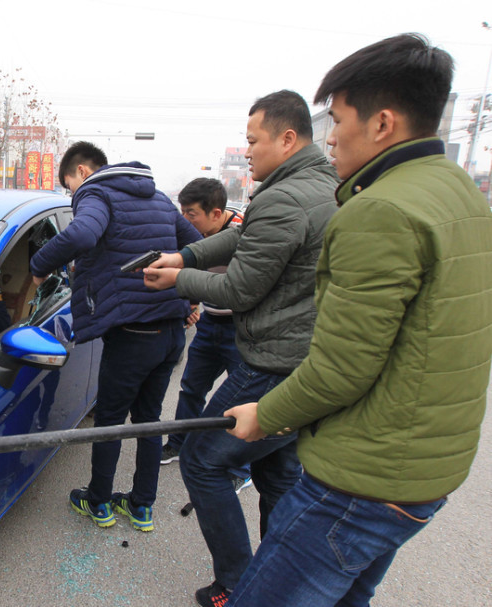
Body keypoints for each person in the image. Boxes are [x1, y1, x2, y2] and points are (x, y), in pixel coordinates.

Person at [223, 34, 492, 607]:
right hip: (422, 471)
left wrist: (264, 415)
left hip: (361, 479)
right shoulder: (459, 194)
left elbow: (342, 368)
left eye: (338, 118)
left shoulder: (380, 211)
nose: (331, 136)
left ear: (383, 124)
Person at [143, 90, 339, 607]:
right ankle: (281, 581)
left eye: (253, 141)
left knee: (204, 462)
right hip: (306, 359)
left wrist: (178, 278)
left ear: (287, 138)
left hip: (272, 362)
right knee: (277, 472)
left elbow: (237, 290)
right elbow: (240, 238)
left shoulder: (284, 197)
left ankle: (236, 583)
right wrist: (184, 253)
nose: (247, 151)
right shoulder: (319, 184)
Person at [30, 141, 202, 532]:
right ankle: (142, 506)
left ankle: (99, 501)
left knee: (109, 420)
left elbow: (82, 235)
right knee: (148, 420)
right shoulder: (157, 197)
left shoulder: (96, 192)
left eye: (70, 187)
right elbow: (197, 245)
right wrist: (188, 294)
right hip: (171, 332)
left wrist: (39, 266)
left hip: (133, 336)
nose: (73, 196)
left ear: (83, 172)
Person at [160, 178, 244, 468]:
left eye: (191, 213)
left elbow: (239, 285)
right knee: (192, 388)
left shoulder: (245, 235)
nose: (186, 220)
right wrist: (191, 304)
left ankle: (239, 467)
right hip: (210, 324)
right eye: (183, 212)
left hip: (242, 329)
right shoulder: (193, 235)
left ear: (216, 214)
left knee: (241, 398)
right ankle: (178, 443)